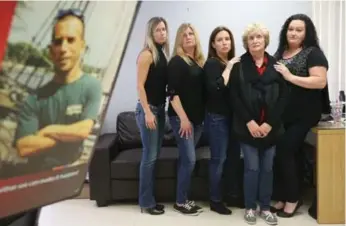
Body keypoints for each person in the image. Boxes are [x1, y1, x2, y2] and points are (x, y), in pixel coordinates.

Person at [13, 9, 102, 173]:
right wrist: (69, 136)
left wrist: (48, 130)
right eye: (58, 41)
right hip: (36, 174)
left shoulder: (91, 86)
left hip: (70, 173)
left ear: (82, 45)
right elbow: (23, 147)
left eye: (71, 40)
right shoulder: (35, 98)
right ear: (50, 50)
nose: (63, 48)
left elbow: (83, 130)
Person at [271, 13, 329, 218]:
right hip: (283, 114)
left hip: (305, 113)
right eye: (291, 29)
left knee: (285, 149)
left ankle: (293, 199)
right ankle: (284, 195)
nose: (293, 33)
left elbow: (319, 81)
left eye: (299, 29)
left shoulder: (313, 53)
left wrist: (289, 76)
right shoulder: (280, 53)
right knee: (284, 153)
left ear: (306, 33)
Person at [230, 23, 287, 225]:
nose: (255, 40)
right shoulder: (239, 65)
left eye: (259, 37)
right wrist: (250, 122)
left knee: (268, 169)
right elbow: (234, 97)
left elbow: (283, 98)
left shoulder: (276, 65)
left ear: (265, 41)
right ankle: (250, 207)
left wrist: (270, 124)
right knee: (252, 168)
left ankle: (265, 207)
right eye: (251, 38)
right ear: (246, 43)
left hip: (271, 128)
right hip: (248, 128)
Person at [167, 23, 205, 216]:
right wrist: (183, 119)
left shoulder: (198, 61)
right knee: (190, 160)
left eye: (191, 34)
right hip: (181, 119)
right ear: (179, 40)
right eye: (184, 35)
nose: (188, 37)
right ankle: (181, 201)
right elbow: (172, 94)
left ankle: (183, 198)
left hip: (198, 121)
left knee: (185, 160)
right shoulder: (176, 62)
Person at [135, 17, 170, 215]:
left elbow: (157, 85)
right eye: (157, 30)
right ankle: (146, 203)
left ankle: (150, 200)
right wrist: (148, 112)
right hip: (149, 111)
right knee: (149, 158)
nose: (162, 33)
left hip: (159, 108)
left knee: (154, 157)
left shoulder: (161, 54)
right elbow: (140, 86)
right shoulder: (147, 54)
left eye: (164, 29)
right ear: (150, 33)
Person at [203, 26, 239, 215]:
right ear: (213, 44)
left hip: (234, 118)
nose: (225, 42)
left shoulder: (231, 62)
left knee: (233, 158)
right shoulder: (212, 63)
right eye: (220, 39)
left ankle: (232, 195)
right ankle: (215, 200)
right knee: (219, 159)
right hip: (217, 118)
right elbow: (216, 88)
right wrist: (231, 67)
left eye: (227, 39)